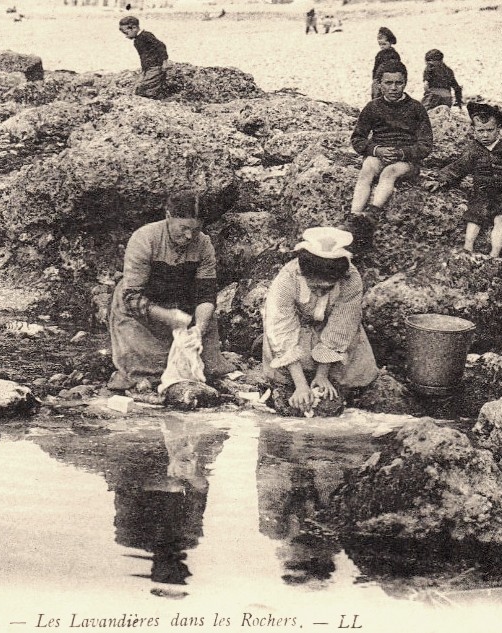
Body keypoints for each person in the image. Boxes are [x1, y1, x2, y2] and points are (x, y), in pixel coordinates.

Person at [107, 191, 234, 391]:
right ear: (168, 217)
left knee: (206, 370)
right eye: (183, 228)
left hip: (182, 306)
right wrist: (167, 316)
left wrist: (200, 328)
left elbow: (206, 294)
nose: (189, 236)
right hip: (142, 309)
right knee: (148, 373)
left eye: (196, 229)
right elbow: (131, 297)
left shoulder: (203, 244)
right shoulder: (144, 239)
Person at [262, 227, 378, 414]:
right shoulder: (287, 279)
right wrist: (301, 385)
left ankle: (325, 377)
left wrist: (322, 375)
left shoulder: (351, 279)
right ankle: (295, 381)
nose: (320, 293)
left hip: (334, 332)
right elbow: (281, 328)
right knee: (287, 379)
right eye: (314, 287)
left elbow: (342, 325)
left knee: (346, 377)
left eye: (327, 288)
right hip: (297, 329)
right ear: (304, 274)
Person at [346, 61, 433, 253]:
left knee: (389, 172)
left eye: (398, 83)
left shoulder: (416, 108)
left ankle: (373, 212)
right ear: (379, 84)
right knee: (367, 168)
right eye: (388, 83)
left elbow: (426, 145)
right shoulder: (372, 107)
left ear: (405, 83)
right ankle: (354, 217)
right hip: (380, 153)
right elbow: (358, 139)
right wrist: (376, 150)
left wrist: (404, 153)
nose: (393, 88)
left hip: (406, 160)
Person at [426, 102, 502, 258]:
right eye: (480, 131)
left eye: (490, 130)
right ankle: (468, 248)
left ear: (498, 130)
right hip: (482, 194)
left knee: (500, 218)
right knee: (475, 216)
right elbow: (458, 167)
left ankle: (494, 255)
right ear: (474, 130)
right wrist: (441, 180)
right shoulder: (473, 151)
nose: (485, 135)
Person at [118, 15, 169, 99]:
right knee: (139, 88)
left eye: (126, 33)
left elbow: (161, 46)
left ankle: (156, 100)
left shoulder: (146, 36)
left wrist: (165, 62)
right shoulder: (138, 39)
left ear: (134, 28)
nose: (126, 36)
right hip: (147, 68)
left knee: (146, 89)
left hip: (155, 67)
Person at [370, 27, 401, 100]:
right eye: (380, 44)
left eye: (384, 44)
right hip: (379, 79)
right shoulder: (379, 54)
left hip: (389, 79)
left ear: (390, 42)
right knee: (376, 95)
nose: (382, 46)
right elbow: (375, 67)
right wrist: (375, 79)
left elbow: (398, 68)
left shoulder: (394, 55)